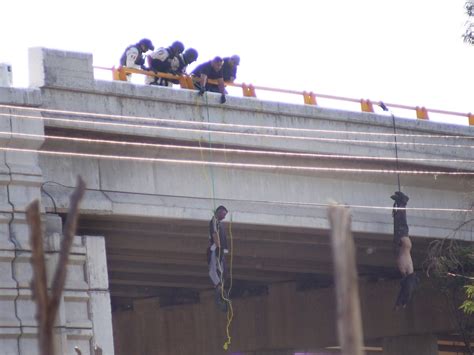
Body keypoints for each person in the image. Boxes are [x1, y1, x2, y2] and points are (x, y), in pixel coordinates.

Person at [391, 191, 418, 308]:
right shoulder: (408, 272)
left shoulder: (407, 273)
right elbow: (406, 291)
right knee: (401, 222)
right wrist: (403, 303)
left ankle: (399, 202)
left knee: (398, 222)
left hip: (402, 244)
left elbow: (404, 290)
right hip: (404, 244)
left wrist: (399, 303)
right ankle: (402, 202)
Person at [207, 205, 229, 312]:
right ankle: (220, 289)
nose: (224, 217)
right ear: (219, 212)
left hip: (219, 250)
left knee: (219, 269)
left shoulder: (220, 224)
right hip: (217, 249)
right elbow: (214, 234)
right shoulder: (214, 222)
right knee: (216, 268)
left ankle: (220, 289)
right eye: (223, 215)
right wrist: (218, 246)